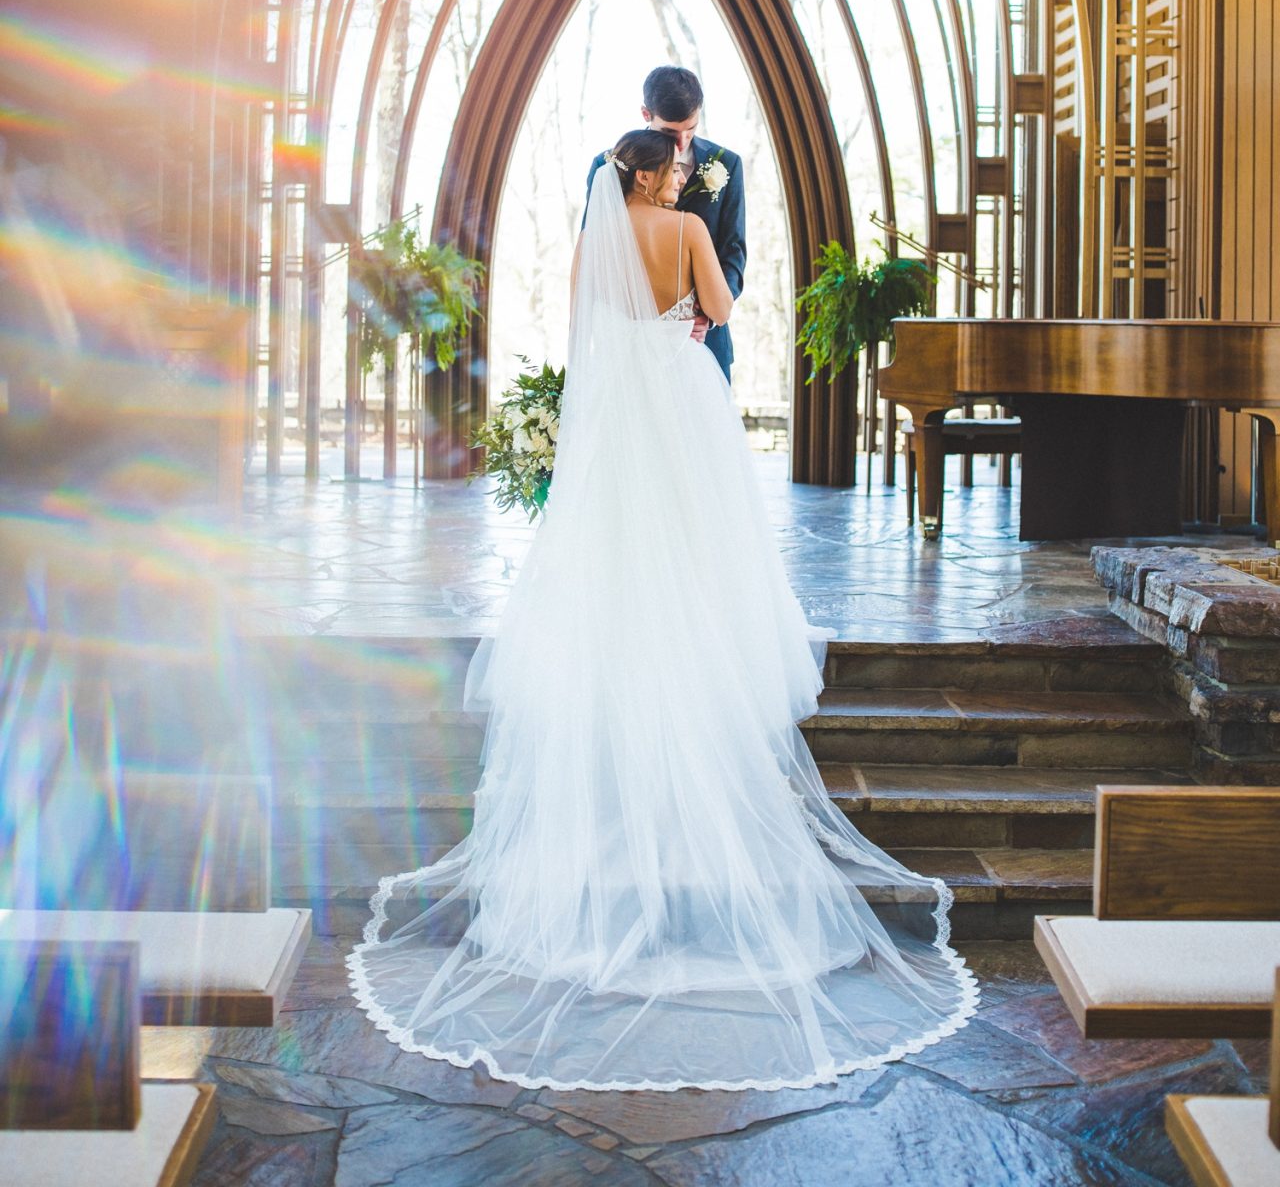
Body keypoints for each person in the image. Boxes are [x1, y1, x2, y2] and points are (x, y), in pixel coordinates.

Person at [348, 130, 977, 1091]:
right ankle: (694, 675)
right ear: (652, 172)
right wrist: (689, 303)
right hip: (679, 389)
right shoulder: (684, 227)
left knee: (617, 548)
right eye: (674, 168)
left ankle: (627, 687)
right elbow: (720, 308)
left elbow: (584, 324)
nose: (684, 176)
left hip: (617, 402)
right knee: (697, 541)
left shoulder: (600, 237)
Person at [585, 65, 744, 382]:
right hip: (630, 351)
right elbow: (597, 255)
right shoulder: (607, 167)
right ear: (646, 114)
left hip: (702, 345)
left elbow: (733, 250)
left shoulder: (726, 164)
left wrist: (704, 316)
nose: (683, 142)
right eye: (671, 133)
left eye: (691, 129)